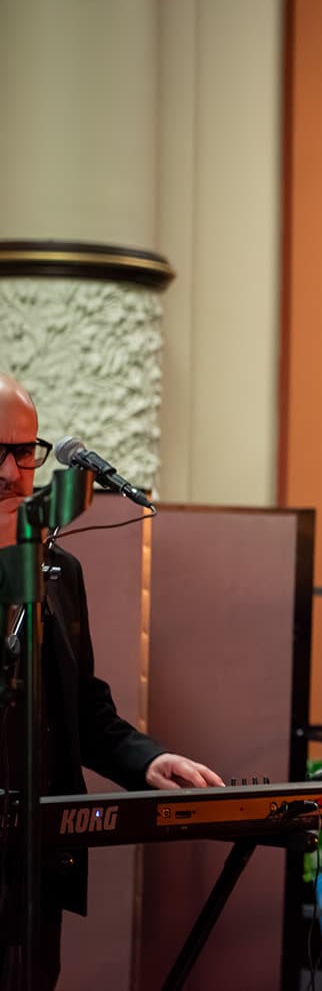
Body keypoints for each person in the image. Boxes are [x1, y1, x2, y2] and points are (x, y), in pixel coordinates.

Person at [0, 375, 223, 991]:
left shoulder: (56, 571)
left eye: (27, 451)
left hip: (31, 867)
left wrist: (147, 761)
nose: (18, 472)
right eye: (2, 452)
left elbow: (83, 709)